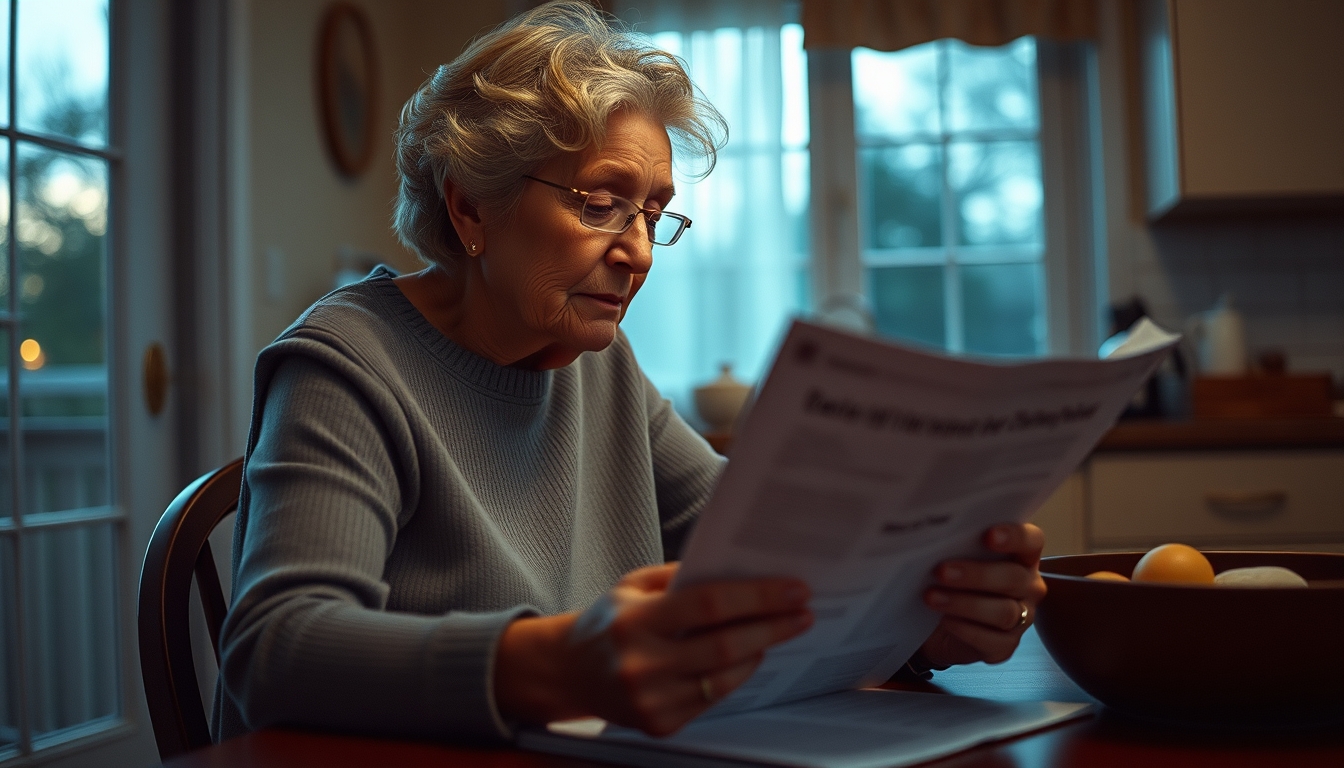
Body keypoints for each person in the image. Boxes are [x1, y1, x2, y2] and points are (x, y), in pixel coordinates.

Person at [213, 0, 1046, 744]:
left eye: (653, 213)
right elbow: (275, 648)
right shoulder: (346, 365)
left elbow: (767, 564)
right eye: (601, 204)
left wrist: (923, 618)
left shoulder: (599, 367)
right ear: (470, 204)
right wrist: (556, 665)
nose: (640, 252)